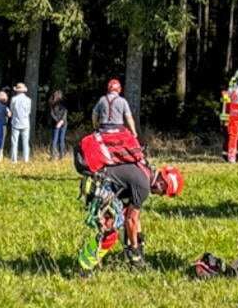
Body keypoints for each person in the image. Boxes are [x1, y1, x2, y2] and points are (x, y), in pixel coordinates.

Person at [75, 126, 184, 277]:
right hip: (100, 186)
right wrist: (134, 247)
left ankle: (90, 262)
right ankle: (84, 267)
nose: (160, 195)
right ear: (162, 184)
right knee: (110, 231)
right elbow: (132, 220)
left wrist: (138, 239)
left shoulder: (143, 166)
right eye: (163, 192)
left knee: (121, 216)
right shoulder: (144, 186)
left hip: (99, 181)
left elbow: (132, 215)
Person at [219, 69, 238, 164]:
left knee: (234, 138)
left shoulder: (231, 90)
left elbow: (226, 104)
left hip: (236, 118)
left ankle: (232, 157)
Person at [9, 83, 33, 162]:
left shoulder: (13, 99)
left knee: (14, 142)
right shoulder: (28, 100)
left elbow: (11, 110)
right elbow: (29, 112)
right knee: (25, 143)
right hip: (25, 123)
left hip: (15, 122)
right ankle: (26, 159)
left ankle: (14, 160)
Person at [49, 90, 68, 160]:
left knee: (55, 139)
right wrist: (60, 121)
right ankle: (61, 156)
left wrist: (58, 121)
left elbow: (52, 114)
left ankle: (54, 155)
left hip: (57, 123)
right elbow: (65, 113)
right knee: (60, 140)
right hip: (62, 123)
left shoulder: (52, 103)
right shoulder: (62, 103)